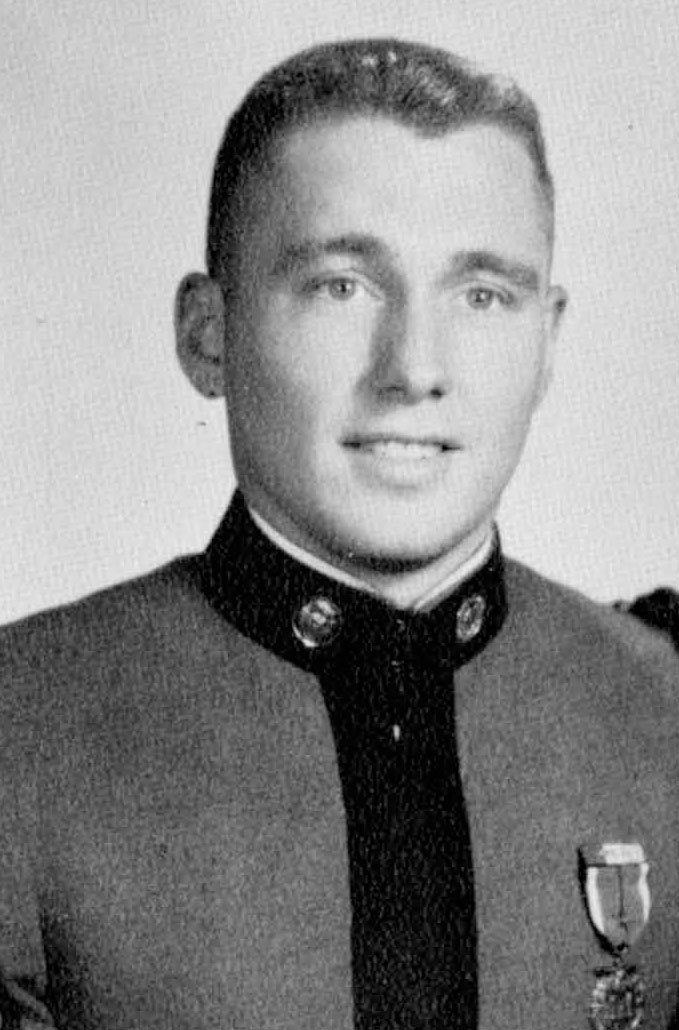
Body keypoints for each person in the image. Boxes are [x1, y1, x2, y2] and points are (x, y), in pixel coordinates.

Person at [0, 37, 677, 1030]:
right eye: (341, 285)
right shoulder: (21, 728)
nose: (413, 369)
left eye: (481, 295)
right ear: (207, 334)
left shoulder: (659, 704)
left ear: (546, 341)